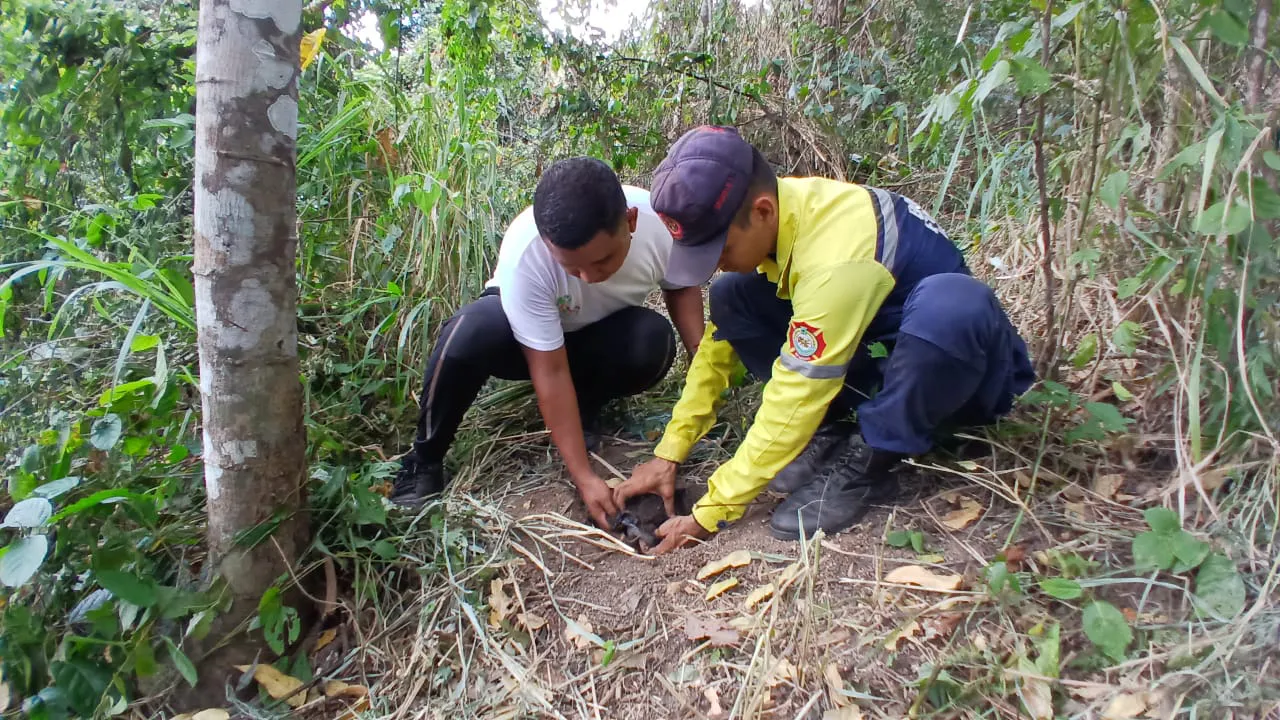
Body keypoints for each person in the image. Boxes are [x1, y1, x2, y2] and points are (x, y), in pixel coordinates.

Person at [614, 125, 1035, 552]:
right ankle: (830, 432)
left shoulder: (836, 257)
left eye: (719, 250)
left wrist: (711, 511)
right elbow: (717, 352)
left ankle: (874, 455)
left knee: (952, 304)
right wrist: (670, 451)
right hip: (876, 354)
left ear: (761, 212)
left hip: (955, 384)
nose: (715, 265)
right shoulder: (786, 209)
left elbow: (797, 391)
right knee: (732, 295)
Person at [391, 157, 706, 528]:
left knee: (651, 341)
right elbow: (550, 369)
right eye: (572, 268)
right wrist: (585, 477)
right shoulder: (528, 253)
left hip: (596, 338)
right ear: (547, 244)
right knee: (467, 334)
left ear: (631, 222)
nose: (588, 277)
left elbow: (681, 286)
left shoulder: (659, 225)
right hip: (522, 343)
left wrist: (702, 369)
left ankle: (589, 407)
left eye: (602, 261)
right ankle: (424, 459)